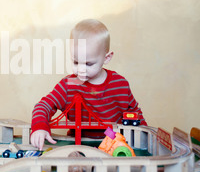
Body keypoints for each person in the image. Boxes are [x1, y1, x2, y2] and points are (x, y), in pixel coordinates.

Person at [30, 19, 147, 150]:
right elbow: (44, 105)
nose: (81, 69)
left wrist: (144, 139)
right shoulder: (70, 84)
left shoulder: (119, 84)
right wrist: (39, 127)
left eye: (88, 64)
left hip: (112, 141)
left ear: (106, 58)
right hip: (78, 144)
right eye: (75, 62)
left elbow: (135, 114)